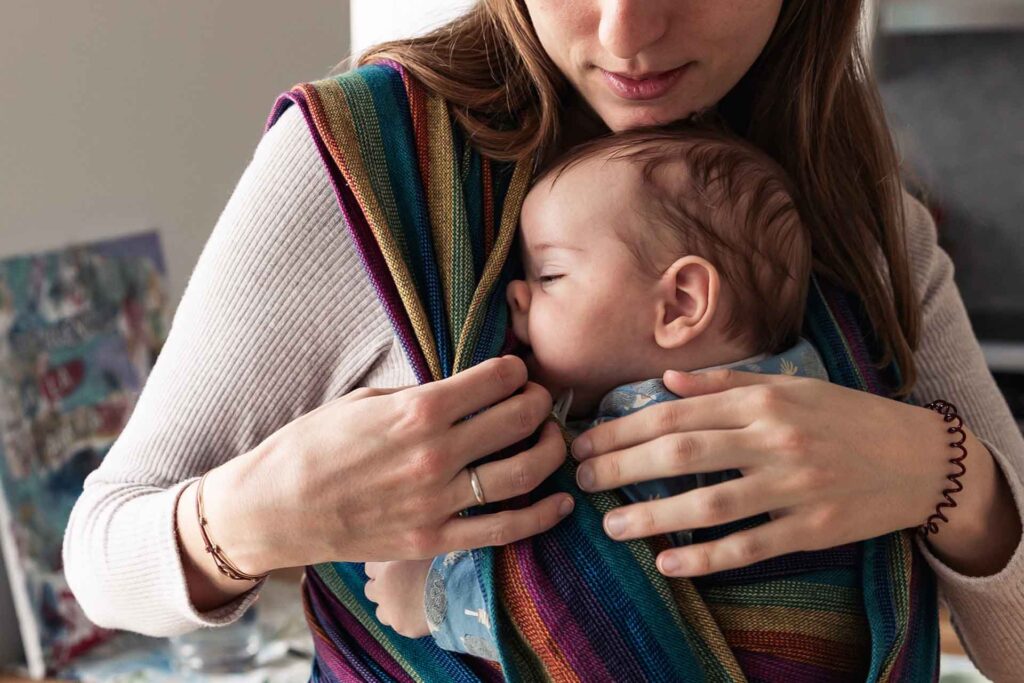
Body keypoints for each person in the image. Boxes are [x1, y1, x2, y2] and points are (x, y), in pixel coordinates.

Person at [61, 0, 1024, 678]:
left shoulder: (856, 212)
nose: (626, 31)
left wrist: (937, 470)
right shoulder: (363, 174)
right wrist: (255, 515)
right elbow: (101, 556)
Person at [361, 125, 837, 656]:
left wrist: (435, 597)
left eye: (551, 274)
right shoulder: (813, 397)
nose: (516, 294)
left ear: (680, 304)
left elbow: (587, 606)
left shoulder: (686, 443)